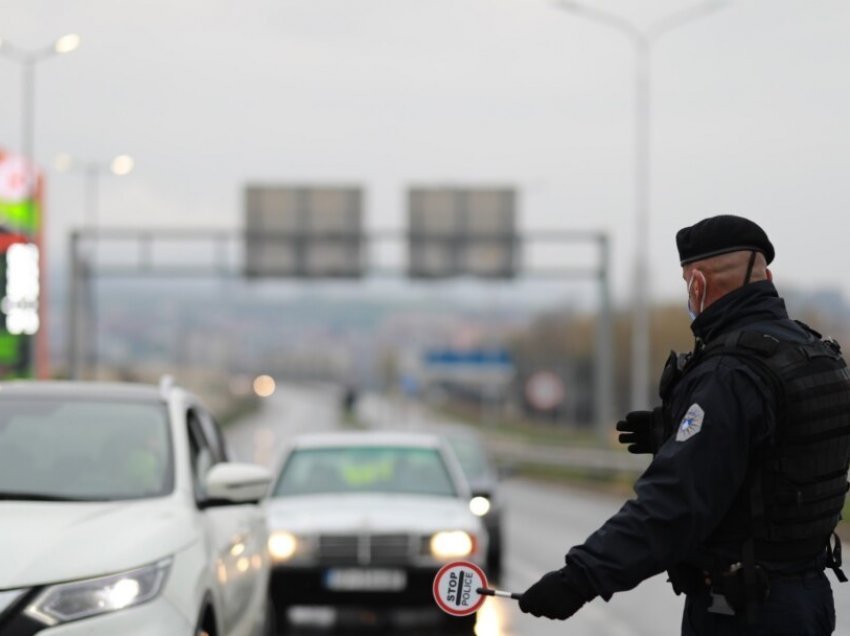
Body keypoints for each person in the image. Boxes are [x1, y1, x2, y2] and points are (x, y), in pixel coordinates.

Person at [518, 215, 850, 635]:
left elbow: (674, 504)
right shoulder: (813, 351)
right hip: (808, 598)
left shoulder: (729, 374)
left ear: (698, 284)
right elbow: (780, 449)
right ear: (766, 276)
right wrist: (671, 430)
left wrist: (579, 578)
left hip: (743, 610)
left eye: (685, 284)